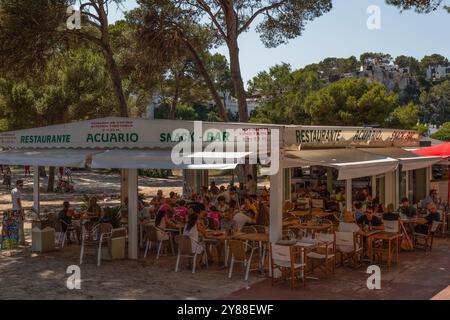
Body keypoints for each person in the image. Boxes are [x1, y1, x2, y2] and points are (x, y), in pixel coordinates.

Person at [11, 179, 25, 245]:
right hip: (18, 210)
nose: (21, 186)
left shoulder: (12, 190)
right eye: (21, 184)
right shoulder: (18, 192)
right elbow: (18, 202)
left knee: (15, 225)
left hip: (14, 209)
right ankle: (21, 241)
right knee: (20, 226)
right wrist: (22, 211)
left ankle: (15, 240)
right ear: (17, 184)